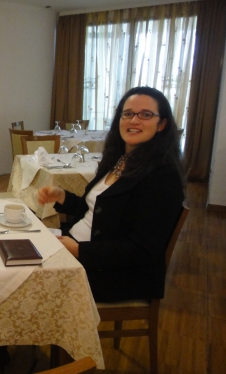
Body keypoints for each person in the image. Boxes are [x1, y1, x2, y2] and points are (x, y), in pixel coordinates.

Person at [38, 86, 185, 302]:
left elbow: (142, 250)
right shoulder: (118, 160)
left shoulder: (163, 176)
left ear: (161, 124)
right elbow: (99, 210)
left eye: (145, 115)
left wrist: (79, 250)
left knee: (27, 280)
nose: (134, 120)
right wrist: (62, 196)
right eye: (127, 114)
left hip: (114, 274)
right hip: (77, 248)